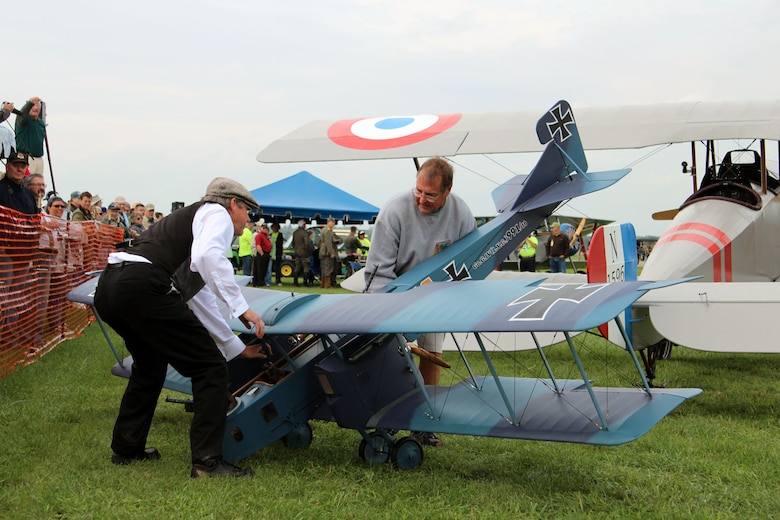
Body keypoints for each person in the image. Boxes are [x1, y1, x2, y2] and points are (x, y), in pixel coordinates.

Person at [93, 177, 268, 478]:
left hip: (110, 286)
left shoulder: (191, 224)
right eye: (248, 211)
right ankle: (207, 463)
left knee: (150, 365)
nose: (248, 220)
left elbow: (198, 297)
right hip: (141, 285)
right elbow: (208, 257)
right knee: (210, 369)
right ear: (234, 204)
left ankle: (127, 447)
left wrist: (236, 348)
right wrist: (242, 308)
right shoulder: (216, 214)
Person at [364, 157, 476, 447]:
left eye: (430, 195)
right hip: (395, 292)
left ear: (447, 191)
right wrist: (386, 312)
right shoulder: (394, 211)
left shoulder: (462, 214)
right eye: (418, 191)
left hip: (436, 295)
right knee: (393, 359)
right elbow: (378, 270)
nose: (421, 199)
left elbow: (470, 262)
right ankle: (388, 421)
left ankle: (425, 422)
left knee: (432, 354)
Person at [14, 97, 46, 174]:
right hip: (26, 157)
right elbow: (22, 113)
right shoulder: (23, 120)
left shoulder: (41, 123)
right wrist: (29, 103)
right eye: (33, 106)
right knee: (27, 182)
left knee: (37, 182)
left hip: (39, 158)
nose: (35, 108)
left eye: (37, 106)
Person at [318, 217, 338, 288]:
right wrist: (331, 253)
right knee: (328, 268)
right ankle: (327, 285)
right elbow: (328, 243)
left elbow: (319, 242)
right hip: (326, 252)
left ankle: (322, 284)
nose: (333, 224)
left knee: (323, 268)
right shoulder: (327, 231)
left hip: (322, 251)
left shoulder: (323, 230)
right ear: (329, 222)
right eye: (333, 223)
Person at [292, 220, 312, 287]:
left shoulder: (295, 233)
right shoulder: (304, 233)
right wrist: (308, 251)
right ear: (303, 225)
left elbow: (293, 243)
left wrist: (295, 249)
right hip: (304, 252)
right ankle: (305, 282)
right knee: (306, 267)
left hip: (297, 252)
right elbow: (307, 243)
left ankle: (295, 282)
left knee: (297, 266)